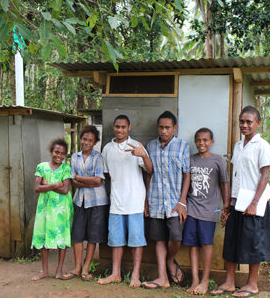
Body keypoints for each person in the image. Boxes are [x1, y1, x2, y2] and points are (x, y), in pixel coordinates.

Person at [211, 106, 270, 297]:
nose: (244, 125)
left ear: (258, 123)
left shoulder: (262, 146)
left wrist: (254, 202)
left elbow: (265, 174)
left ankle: (252, 284)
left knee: (253, 242)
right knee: (231, 240)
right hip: (237, 202)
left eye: (249, 122)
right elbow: (236, 175)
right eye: (242, 121)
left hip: (254, 203)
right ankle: (230, 282)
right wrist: (229, 202)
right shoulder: (239, 146)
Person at [97, 114, 153, 287]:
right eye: (117, 127)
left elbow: (150, 170)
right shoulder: (107, 149)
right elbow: (107, 174)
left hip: (136, 201)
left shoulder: (136, 145)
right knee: (116, 240)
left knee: (137, 240)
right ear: (113, 128)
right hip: (116, 202)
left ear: (129, 128)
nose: (120, 130)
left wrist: (143, 155)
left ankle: (135, 275)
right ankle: (115, 274)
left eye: (123, 127)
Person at [141, 111, 190, 289]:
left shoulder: (182, 146)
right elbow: (149, 174)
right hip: (155, 200)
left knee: (176, 236)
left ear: (174, 128)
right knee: (159, 239)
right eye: (161, 127)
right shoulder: (151, 146)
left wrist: (182, 201)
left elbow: (187, 174)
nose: (164, 131)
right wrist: (146, 201)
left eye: (167, 127)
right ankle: (163, 277)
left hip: (174, 203)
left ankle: (170, 261)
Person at [183, 128, 229, 295]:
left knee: (206, 244)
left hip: (209, 210)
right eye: (198, 140)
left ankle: (205, 280)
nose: (201, 143)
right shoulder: (191, 160)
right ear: (195, 141)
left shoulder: (218, 160)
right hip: (191, 208)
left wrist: (226, 205)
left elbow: (224, 183)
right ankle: (195, 279)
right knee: (193, 245)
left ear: (212, 142)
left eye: (205, 140)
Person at [60, 125, 109, 281]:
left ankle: (86, 268)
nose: (86, 142)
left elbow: (98, 180)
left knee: (93, 236)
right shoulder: (74, 157)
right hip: (80, 201)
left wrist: (80, 178)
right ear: (81, 139)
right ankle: (77, 268)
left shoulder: (98, 157)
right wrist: (88, 181)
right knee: (78, 235)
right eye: (84, 139)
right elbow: (72, 181)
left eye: (90, 140)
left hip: (97, 202)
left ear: (95, 142)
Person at [30, 138, 73, 281]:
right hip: (45, 208)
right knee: (43, 235)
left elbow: (66, 189)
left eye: (62, 154)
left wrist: (47, 185)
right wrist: (55, 185)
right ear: (51, 152)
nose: (59, 156)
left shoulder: (66, 168)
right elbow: (37, 188)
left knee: (61, 237)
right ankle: (44, 270)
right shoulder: (42, 167)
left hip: (61, 208)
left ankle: (59, 269)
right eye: (56, 152)